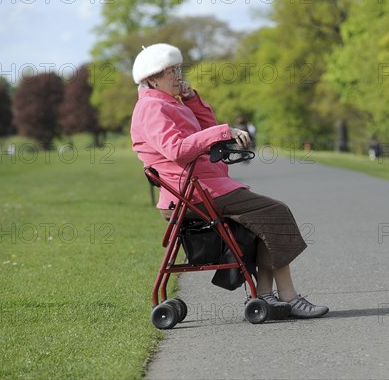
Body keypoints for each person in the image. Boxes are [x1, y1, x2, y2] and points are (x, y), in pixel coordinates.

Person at [130, 43, 328, 319]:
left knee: (264, 220)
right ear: (152, 78)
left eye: (178, 69)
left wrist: (193, 101)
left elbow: (205, 130)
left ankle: (267, 295)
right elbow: (177, 150)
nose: (178, 75)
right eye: (171, 71)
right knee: (276, 212)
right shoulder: (151, 108)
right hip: (192, 194)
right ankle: (288, 297)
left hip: (204, 188)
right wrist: (223, 131)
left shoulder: (167, 103)